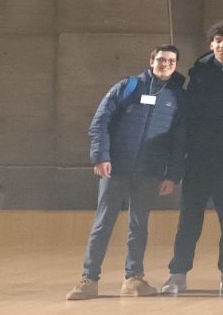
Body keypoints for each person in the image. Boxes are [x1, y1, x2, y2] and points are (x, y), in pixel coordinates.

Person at [67, 46, 188, 300]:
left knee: (139, 225)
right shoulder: (128, 86)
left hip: (149, 171)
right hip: (116, 168)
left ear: (176, 65)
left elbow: (179, 141)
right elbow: (100, 122)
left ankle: (133, 278)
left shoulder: (177, 97)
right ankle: (89, 279)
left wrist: (172, 175)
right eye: (161, 59)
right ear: (151, 61)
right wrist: (101, 156)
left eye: (171, 61)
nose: (165, 64)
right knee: (103, 224)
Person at [165, 22, 223, 295]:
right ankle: (178, 274)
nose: (221, 45)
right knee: (189, 216)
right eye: (217, 40)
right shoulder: (199, 71)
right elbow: (190, 111)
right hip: (198, 155)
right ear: (211, 44)